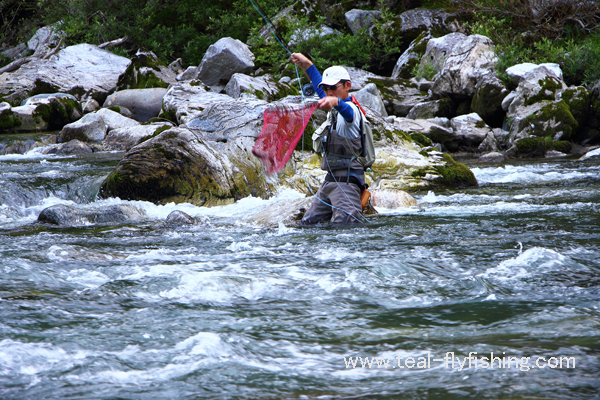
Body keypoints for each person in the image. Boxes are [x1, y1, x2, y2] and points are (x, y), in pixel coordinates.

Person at [290, 53, 365, 224]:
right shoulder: (333, 101)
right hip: (329, 183)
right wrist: (307, 65)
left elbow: (348, 112)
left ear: (348, 86)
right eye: (325, 89)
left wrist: (336, 103)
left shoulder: (352, 111)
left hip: (346, 185)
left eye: (333, 88)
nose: (328, 93)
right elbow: (322, 90)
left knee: (344, 230)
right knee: (308, 224)